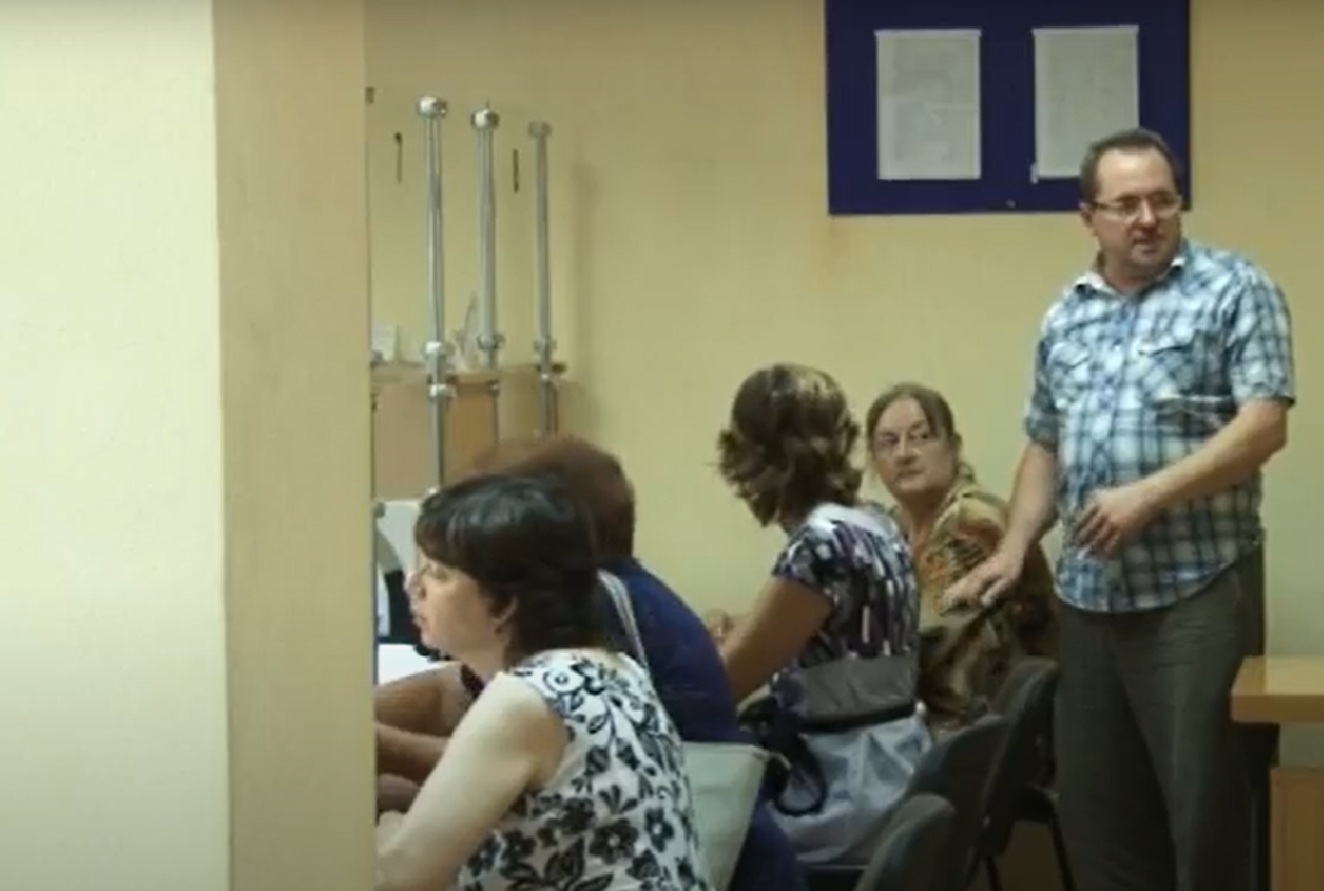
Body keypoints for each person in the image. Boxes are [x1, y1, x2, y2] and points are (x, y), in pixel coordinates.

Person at [949, 127, 1294, 891]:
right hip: (1091, 601)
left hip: (1197, 591)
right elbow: (1046, 442)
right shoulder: (1066, 315)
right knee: (1101, 820)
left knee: (1210, 816)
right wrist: (1014, 546)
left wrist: (1150, 493)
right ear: (1089, 217)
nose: (1148, 218)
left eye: (1163, 200)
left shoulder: (1234, 289)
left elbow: (1264, 425)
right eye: (1127, 204)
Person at [375, 435, 805, 891]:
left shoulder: (527, 697)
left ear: (503, 602)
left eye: (439, 574)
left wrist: (383, 819)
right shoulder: (610, 666)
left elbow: (400, 878)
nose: (412, 586)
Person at [715, 363, 930, 866]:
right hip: (895, 767)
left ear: (755, 457)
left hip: (844, 795)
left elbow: (724, 685)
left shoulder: (820, 545)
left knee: (697, 832)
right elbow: (836, 635)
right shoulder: (874, 524)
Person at [865, 382, 1058, 734]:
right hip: (944, 716)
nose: (904, 454)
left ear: (953, 447)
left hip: (989, 728)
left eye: (921, 437)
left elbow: (920, 640)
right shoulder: (895, 527)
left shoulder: (972, 521)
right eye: (888, 443)